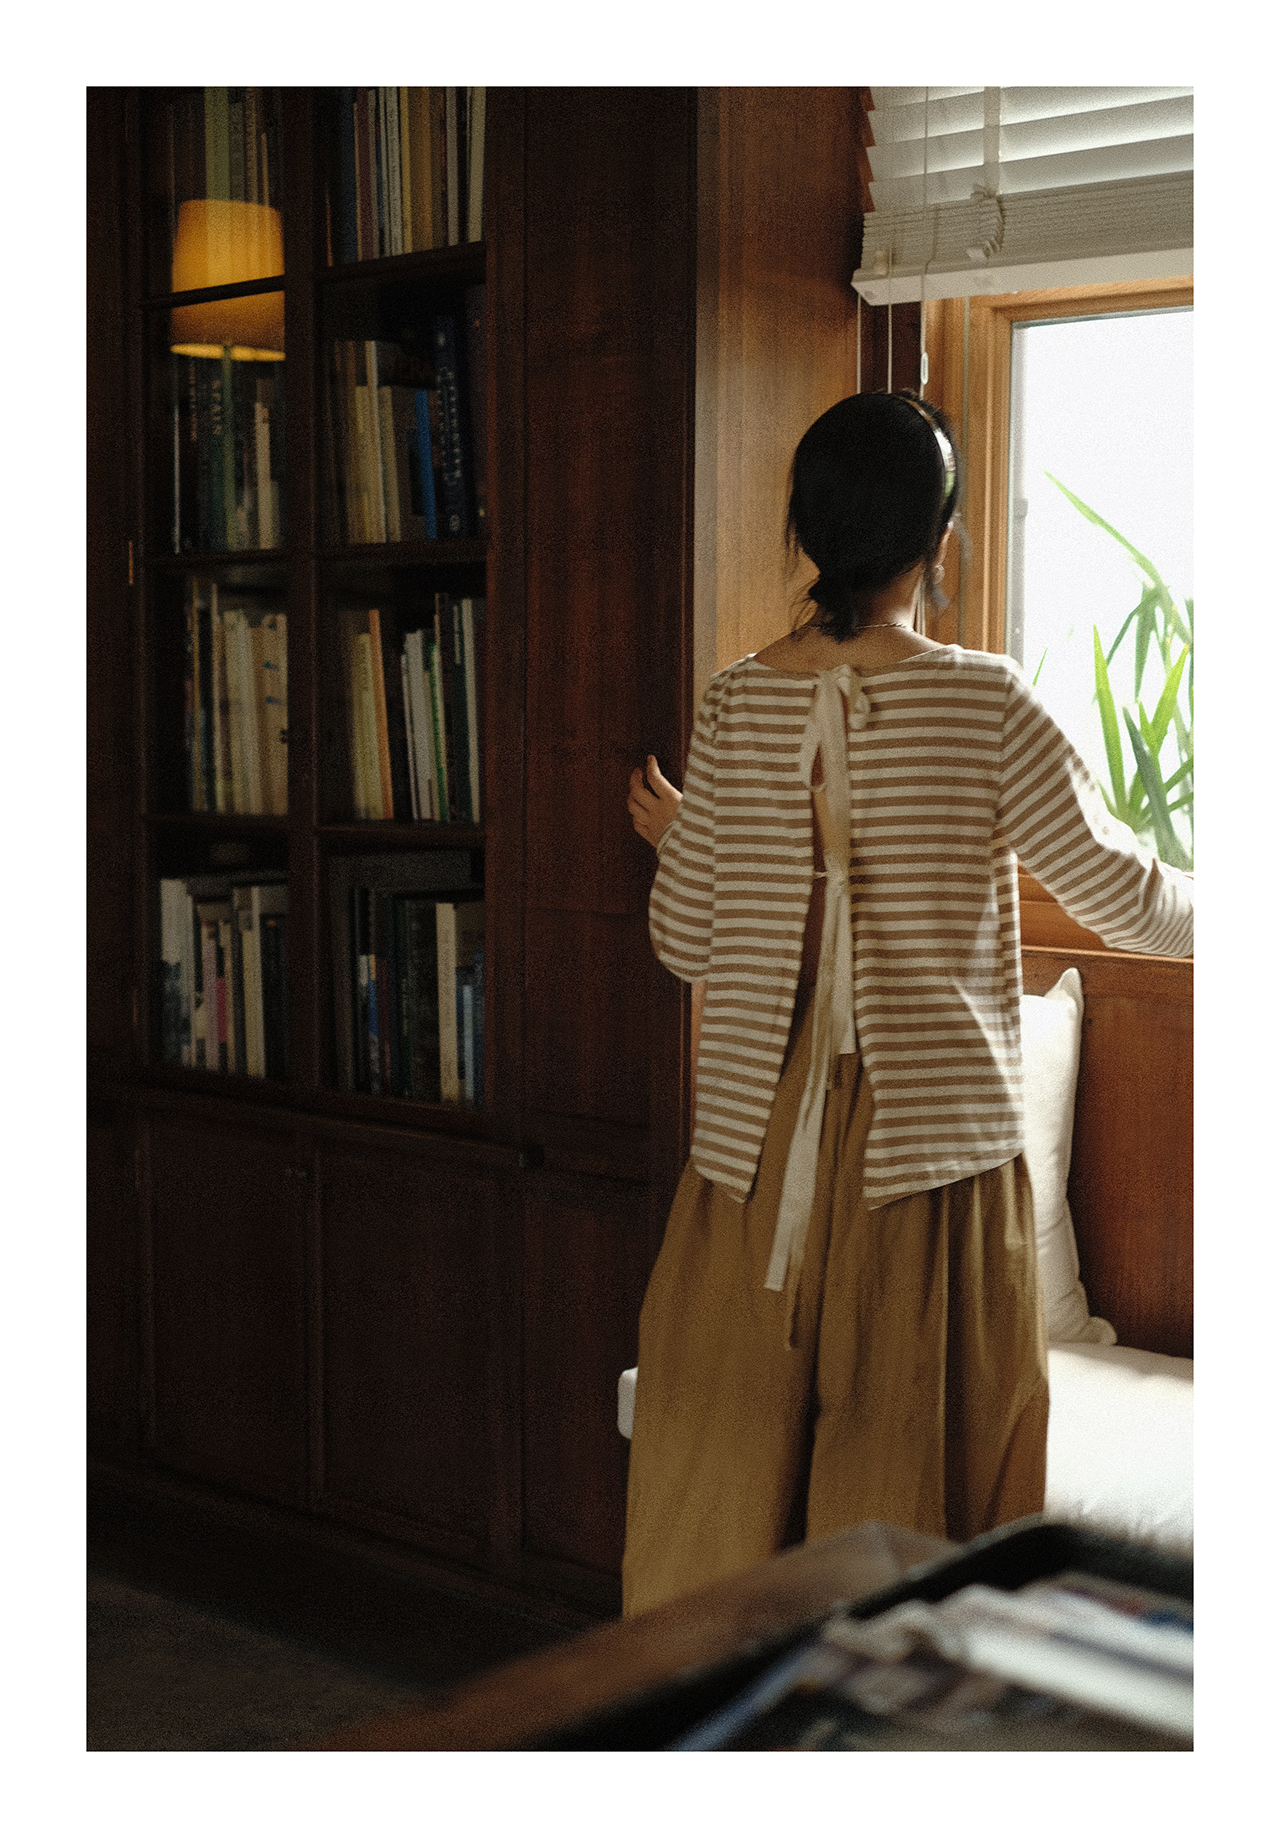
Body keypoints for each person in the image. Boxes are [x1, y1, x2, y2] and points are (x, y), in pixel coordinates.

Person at [621, 388, 1193, 1620]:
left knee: (722, 1508)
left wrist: (689, 846)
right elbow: (1124, 900)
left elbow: (683, 943)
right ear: (938, 536)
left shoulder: (733, 700)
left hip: (751, 1162)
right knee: (910, 1521)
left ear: (803, 528)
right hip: (926, 1169)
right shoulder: (984, 700)